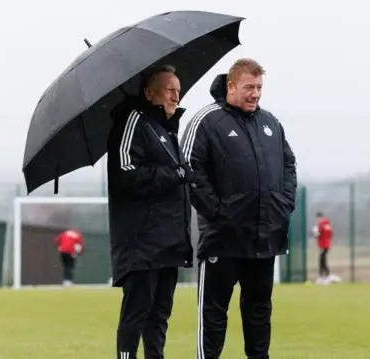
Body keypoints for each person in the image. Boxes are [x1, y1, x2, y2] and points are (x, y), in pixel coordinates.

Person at [180, 58, 297, 359]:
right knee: (214, 316)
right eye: (249, 87)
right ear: (231, 86)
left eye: (259, 87)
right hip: (223, 239)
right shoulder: (206, 120)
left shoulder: (271, 122)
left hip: (264, 238)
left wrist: (283, 206)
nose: (255, 94)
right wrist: (219, 214)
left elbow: (288, 165)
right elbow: (189, 170)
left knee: (259, 314)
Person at [106, 64, 195, 359]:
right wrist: (176, 174)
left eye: (178, 91)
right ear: (149, 92)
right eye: (169, 90)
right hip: (140, 243)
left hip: (167, 243)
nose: (176, 96)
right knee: (137, 312)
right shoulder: (132, 122)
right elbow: (125, 174)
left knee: (159, 316)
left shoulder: (166, 130)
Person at [311, 212, 340, 285]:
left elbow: (317, 235)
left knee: (322, 261)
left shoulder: (321, 225)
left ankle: (324, 277)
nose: (317, 220)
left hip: (323, 245)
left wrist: (315, 231)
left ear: (319, 217)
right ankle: (325, 277)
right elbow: (331, 234)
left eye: (317, 218)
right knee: (323, 260)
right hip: (327, 245)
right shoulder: (327, 224)